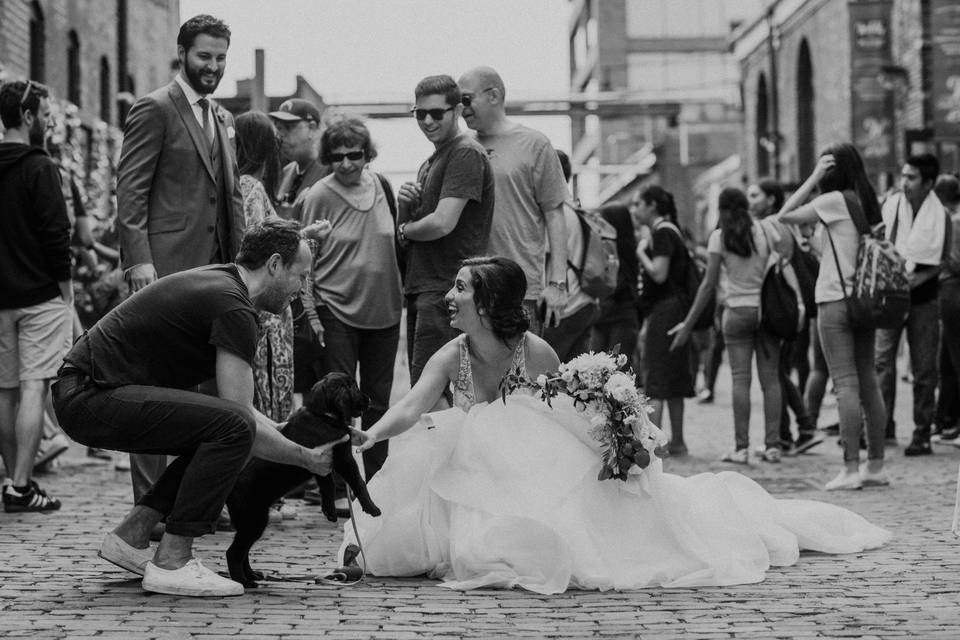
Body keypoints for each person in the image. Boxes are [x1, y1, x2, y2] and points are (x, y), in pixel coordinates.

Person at [340, 256, 890, 594]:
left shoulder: (534, 351)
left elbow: (565, 418)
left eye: (460, 288)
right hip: (469, 464)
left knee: (567, 525)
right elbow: (412, 407)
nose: (449, 297)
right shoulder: (451, 352)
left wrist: (619, 445)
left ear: (485, 303)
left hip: (528, 462)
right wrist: (372, 434)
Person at [52, 220, 347, 597]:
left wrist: (286, 431)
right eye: (300, 276)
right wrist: (305, 458)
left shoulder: (225, 285)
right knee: (231, 429)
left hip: (83, 392)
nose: (301, 288)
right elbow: (241, 422)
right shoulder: (234, 307)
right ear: (274, 265)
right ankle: (173, 560)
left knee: (220, 428)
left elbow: (236, 412)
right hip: (89, 397)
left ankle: (132, 537)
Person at [116, 14, 245, 508]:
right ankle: (149, 508)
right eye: (204, 56)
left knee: (211, 390)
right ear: (183, 54)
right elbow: (131, 190)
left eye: (220, 58)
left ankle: (193, 500)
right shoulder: (154, 108)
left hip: (217, 274)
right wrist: (139, 261)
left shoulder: (220, 117)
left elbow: (227, 198)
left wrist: (238, 266)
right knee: (152, 389)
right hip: (165, 270)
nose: (212, 66)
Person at [775, 143, 888, 490]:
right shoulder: (867, 202)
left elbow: (785, 214)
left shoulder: (834, 200)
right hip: (864, 301)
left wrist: (813, 177)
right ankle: (876, 466)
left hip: (835, 301)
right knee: (868, 378)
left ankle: (850, 468)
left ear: (832, 169)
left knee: (844, 383)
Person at [299, 116, 402, 480]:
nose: (346, 163)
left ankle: (376, 478)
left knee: (378, 400)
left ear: (366, 154)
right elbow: (304, 260)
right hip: (336, 309)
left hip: (385, 310)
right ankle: (339, 480)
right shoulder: (319, 195)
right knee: (338, 402)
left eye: (354, 155)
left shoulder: (384, 187)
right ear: (328, 156)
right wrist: (310, 314)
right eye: (338, 156)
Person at [670, 187, 793, 464]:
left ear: (722, 210)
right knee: (770, 379)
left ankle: (741, 448)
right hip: (766, 313)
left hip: (736, 312)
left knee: (740, 380)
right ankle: (773, 446)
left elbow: (709, 285)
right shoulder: (765, 231)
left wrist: (688, 324)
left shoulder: (719, 237)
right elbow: (785, 255)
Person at [0, 79, 72, 512]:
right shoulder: (40, 167)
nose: (47, 123)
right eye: (44, 115)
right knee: (32, 387)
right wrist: (66, 294)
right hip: (40, 294)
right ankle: (21, 487)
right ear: (27, 117)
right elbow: (56, 236)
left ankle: (15, 481)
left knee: (3, 390)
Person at [398, 75, 495, 387]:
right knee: (428, 387)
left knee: (434, 390)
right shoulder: (431, 162)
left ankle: (447, 439)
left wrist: (404, 229)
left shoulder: (465, 153)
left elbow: (442, 222)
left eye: (437, 113)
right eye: (420, 113)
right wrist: (406, 209)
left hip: (447, 287)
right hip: (428, 287)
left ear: (456, 111)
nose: (427, 120)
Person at [458, 66, 568, 333]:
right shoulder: (461, 147)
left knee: (521, 374)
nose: (462, 109)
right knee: (472, 374)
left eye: (466, 100)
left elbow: (555, 214)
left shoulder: (534, 144)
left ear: (493, 95)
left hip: (520, 289)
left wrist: (557, 285)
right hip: (469, 289)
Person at [876, 154, 947, 456]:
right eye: (903, 176)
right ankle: (881, 425)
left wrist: (909, 283)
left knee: (924, 369)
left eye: (911, 177)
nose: (904, 183)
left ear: (928, 183)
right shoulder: (891, 206)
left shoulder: (940, 215)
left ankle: (922, 432)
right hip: (889, 296)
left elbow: (938, 263)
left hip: (923, 300)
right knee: (881, 363)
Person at [747, 178, 823, 456]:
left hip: (781, 309)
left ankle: (799, 430)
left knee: (775, 373)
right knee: (778, 371)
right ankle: (790, 433)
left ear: (770, 199)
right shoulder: (783, 224)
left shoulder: (773, 225)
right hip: (793, 308)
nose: (750, 200)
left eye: (755, 195)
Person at [267, 98, 330, 408]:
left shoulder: (331, 172)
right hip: (288, 295)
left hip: (317, 299)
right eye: (278, 127)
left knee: (319, 393)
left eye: (289, 127)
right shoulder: (288, 172)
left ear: (313, 127)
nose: (281, 134)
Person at [235, 111, 294, 422]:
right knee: (265, 407)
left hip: (257, 312)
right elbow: (257, 248)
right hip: (264, 317)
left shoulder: (238, 185)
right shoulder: (251, 187)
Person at [633, 186, 693, 455]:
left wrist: (641, 253)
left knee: (655, 373)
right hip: (678, 309)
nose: (636, 210)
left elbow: (658, 273)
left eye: (639, 204)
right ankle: (678, 441)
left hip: (664, 309)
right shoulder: (673, 230)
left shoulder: (662, 233)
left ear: (653, 206)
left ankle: (655, 445)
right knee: (676, 376)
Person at [542, 149, 599, 361]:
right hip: (584, 302)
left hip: (564, 308)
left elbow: (546, 259)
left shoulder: (555, 213)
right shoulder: (575, 210)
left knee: (546, 377)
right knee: (576, 381)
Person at [590, 201, 640, 363]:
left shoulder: (623, 252)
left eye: (603, 220)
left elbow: (617, 286)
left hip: (620, 318)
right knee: (594, 371)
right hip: (604, 317)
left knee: (618, 371)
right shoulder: (610, 249)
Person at [934, 174, 960, 442]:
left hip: (952, 291)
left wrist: (935, 259)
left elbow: (954, 262)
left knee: (954, 357)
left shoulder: (954, 221)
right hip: (950, 291)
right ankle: (945, 417)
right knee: (947, 359)